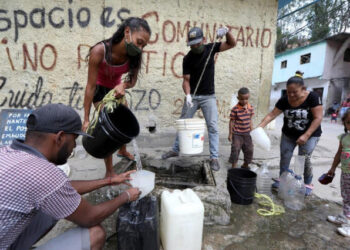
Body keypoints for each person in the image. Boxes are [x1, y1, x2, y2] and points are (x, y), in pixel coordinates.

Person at [0, 103, 141, 250]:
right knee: (96, 234)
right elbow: (90, 217)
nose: (74, 146)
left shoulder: (6, 151)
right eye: (74, 138)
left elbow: (61, 188)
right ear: (60, 137)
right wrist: (127, 196)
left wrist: (109, 180)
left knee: (54, 207)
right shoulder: (44, 174)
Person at [83, 17, 151, 177]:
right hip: (100, 91)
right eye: (139, 41)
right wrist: (86, 119)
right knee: (109, 130)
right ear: (127, 32)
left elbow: (132, 80)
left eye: (144, 45)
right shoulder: (99, 51)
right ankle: (110, 172)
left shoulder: (134, 55)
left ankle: (122, 150)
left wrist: (123, 86)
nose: (140, 48)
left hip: (117, 90)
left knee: (125, 123)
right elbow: (90, 87)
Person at [161, 26, 236, 171]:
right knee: (183, 122)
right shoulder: (187, 59)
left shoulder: (211, 48)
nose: (195, 46)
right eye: (192, 43)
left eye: (197, 42)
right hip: (193, 96)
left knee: (213, 127)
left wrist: (227, 32)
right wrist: (188, 95)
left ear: (203, 39)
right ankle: (175, 149)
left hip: (209, 96)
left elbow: (232, 44)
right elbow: (186, 80)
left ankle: (214, 157)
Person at [258, 72, 323, 196]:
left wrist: (306, 135)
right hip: (288, 134)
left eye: (295, 92)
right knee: (285, 156)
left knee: (304, 159)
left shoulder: (313, 97)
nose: (291, 95)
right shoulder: (284, 100)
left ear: (303, 89)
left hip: (310, 135)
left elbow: (318, 118)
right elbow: (272, 114)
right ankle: (282, 178)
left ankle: (307, 183)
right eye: (289, 92)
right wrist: (259, 127)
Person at [327, 109, 350, 237]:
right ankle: (345, 217)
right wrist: (333, 168)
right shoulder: (344, 138)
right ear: (345, 124)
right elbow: (338, 154)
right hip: (346, 173)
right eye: (348, 122)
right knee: (346, 195)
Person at [228, 87, 254, 169]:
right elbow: (231, 121)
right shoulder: (235, 109)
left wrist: (252, 130)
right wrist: (230, 134)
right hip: (237, 134)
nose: (244, 101)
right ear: (238, 98)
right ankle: (234, 167)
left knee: (249, 149)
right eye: (242, 99)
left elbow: (250, 119)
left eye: (246, 99)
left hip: (247, 133)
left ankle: (245, 164)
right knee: (235, 149)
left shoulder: (250, 108)